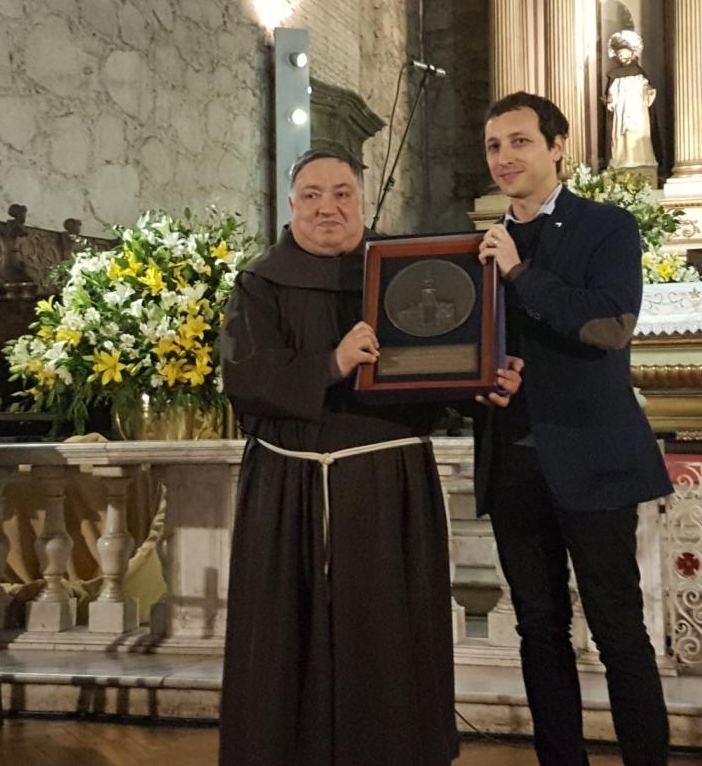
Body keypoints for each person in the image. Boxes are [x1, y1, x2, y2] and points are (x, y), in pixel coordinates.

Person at [217, 148, 522, 766]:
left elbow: (442, 360)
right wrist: (331, 363)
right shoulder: (259, 282)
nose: (327, 206)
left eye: (342, 194)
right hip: (290, 485)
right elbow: (244, 379)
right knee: (286, 634)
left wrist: (486, 381)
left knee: (386, 631)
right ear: (292, 204)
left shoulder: (410, 270)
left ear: (360, 200)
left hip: (387, 481)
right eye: (312, 195)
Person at [476, 92, 673, 766]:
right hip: (512, 464)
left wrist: (519, 272)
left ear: (558, 146)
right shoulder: (476, 245)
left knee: (618, 632)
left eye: (520, 141)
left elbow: (607, 325)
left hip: (593, 456)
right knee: (538, 629)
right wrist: (482, 383)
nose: (505, 157)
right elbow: (463, 346)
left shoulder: (607, 227)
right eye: (495, 145)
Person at [604, 30, 658, 171]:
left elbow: (645, 87)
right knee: (621, 136)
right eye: (619, 54)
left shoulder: (638, 72)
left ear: (631, 53)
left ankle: (640, 160)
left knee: (638, 133)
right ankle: (621, 160)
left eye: (624, 52)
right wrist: (610, 100)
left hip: (636, 110)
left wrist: (648, 91)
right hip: (621, 110)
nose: (621, 56)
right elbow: (611, 92)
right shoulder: (614, 75)